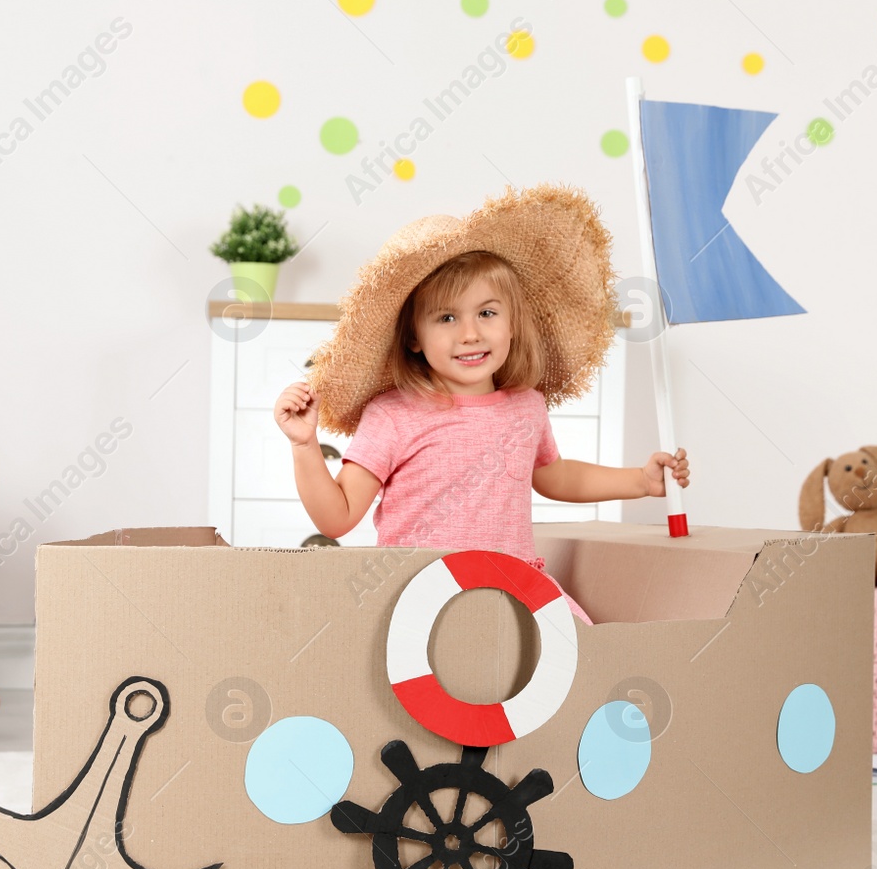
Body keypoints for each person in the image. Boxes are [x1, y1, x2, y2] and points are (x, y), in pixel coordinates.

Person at [273, 185, 690, 624]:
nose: (469, 333)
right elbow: (337, 517)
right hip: (419, 597)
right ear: (414, 337)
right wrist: (304, 446)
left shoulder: (526, 407)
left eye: (487, 313)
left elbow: (556, 476)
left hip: (512, 591)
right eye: (447, 317)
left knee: (581, 644)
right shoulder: (393, 416)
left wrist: (640, 481)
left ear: (513, 325)